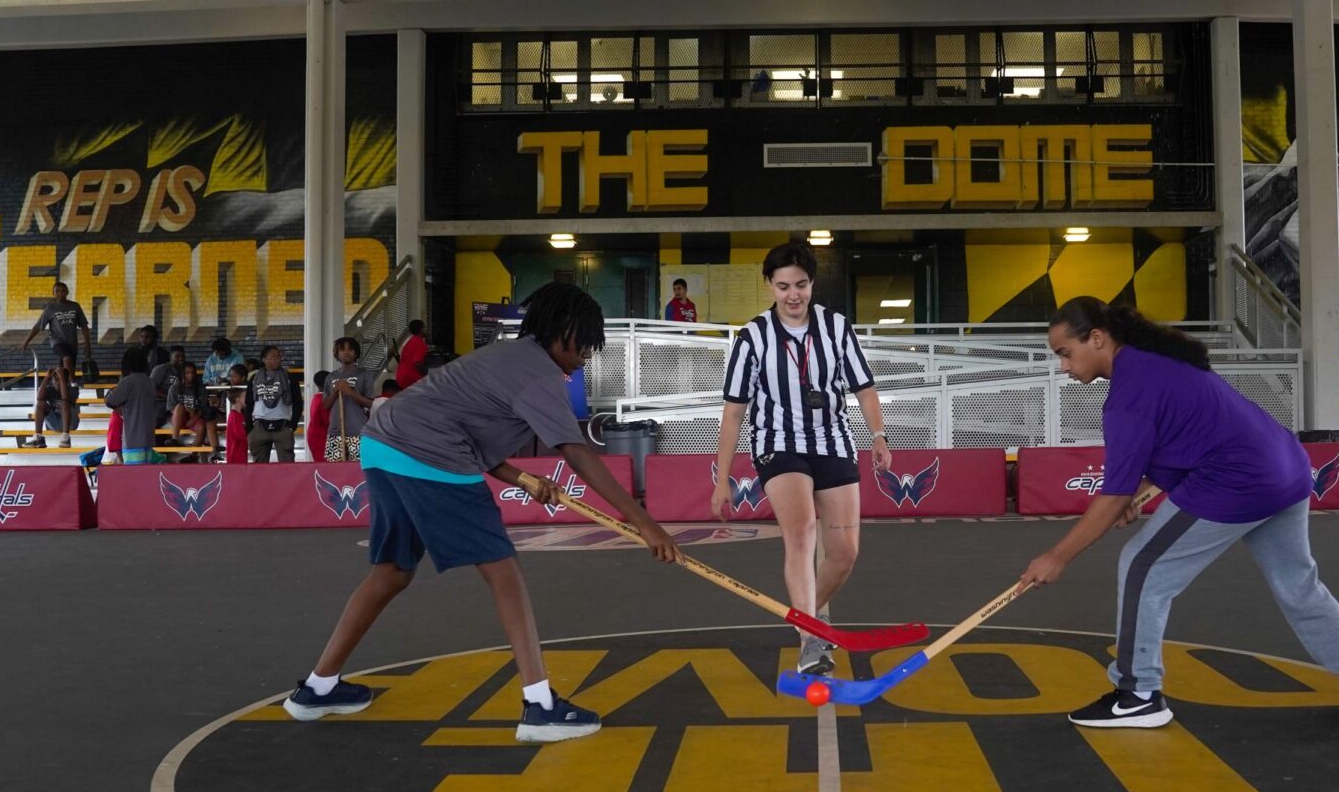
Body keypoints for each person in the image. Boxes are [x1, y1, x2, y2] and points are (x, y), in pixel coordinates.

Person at [283, 282, 680, 744]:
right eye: (584, 345)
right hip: (427, 453)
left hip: (383, 444)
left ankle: (318, 688)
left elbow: (470, 435)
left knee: (391, 571)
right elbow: (579, 454)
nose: (586, 357)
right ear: (564, 331)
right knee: (503, 570)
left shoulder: (505, 357)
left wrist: (523, 479)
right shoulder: (539, 373)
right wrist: (647, 524)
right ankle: (540, 706)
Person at [1017, 297, 1339, 729]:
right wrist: (1138, 490)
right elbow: (1188, 440)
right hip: (1287, 469)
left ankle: (1138, 693)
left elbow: (1111, 497)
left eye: (1065, 354)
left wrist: (1057, 557)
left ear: (1098, 339)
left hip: (1237, 480)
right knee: (1298, 584)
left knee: (1143, 565)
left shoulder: (1129, 393)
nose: (1064, 367)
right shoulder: (1157, 363)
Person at [711, 242, 890, 676]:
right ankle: (811, 637)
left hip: (832, 441)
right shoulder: (752, 338)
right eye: (784, 285)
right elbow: (734, 412)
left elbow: (864, 389)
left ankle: (810, 610)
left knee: (844, 553)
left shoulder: (836, 328)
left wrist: (879, 435)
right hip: (778, 443)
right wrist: (722, 479)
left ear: (813, 283)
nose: (794, 295)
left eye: (802, 285)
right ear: (770, 286)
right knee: (802, 531)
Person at [323, 337, 380, 462]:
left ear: (356, 353)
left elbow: (371, 404)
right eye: (342, 350)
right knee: (334, 470)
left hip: (358, 430)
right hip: (335, 431)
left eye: (350, 349)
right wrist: (335, 392)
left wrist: (350, 392)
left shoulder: (364, 375)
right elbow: (325, 405)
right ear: (337, 353)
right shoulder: (331, 377)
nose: (346, 352)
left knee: (358, 469)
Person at [103, 349, 162, 466]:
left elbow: (110, 400)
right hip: (148, 437)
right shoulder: (149, 381)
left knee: (134, 476)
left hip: (133, 438)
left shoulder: (128, 381)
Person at [19, 281, 92, 372]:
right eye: (57, 291)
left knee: (68, 368)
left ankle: (63, 384)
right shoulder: (50, 308)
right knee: (67, 358)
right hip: (57, 341)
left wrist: (87, 344)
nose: (60, 293)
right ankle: (73, 383)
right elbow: (38, 326)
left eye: (63, 291)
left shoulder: (75, 306)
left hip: (72, 342)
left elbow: (84, 326)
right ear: (53, 293)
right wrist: (26, 342)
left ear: (67, 292)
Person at [247, 346, 299, 463]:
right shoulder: (255, 378)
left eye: (278, 357)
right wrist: (250, 427)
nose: (277, 359)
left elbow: (297, 402)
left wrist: (292, 425)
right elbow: (249, 402)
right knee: (259, 467)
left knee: (287, 466)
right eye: (273, 357)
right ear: (264, 359)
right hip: (260, 425)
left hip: (283, 426)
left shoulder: (288, 377)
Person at [27, 362, 79, 449]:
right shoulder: (50, 389)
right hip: (54, 423)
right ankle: (38, 438)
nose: (57, 382)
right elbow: (39, 398)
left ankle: (65, 437)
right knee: (40, 404)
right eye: (55, 379)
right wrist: (47, 378)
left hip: (71, 423)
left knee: (64, 402)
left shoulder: (73, 390)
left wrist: (62, 378)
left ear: (66, 381)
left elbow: (65, 398)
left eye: (60, 379)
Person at [165, 362, 212, 450]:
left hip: (195, 417)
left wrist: (193, 418)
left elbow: (203, 408)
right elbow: (171, 409)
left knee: (201, 427)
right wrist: (186, 411)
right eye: (187, 373)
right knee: (179, 407)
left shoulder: (201, 388)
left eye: (192, 372)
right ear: (182, 374)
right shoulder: (174, 388)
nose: (190, 375)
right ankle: (174, 439)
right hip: (179, 419)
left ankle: (193, 454)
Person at [224, 364, 251, 464]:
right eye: (245, 396)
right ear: (238, 398)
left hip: (239, 454)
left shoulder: (238, 415)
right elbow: (240, 434)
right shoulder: (235, 416)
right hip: (235, 456)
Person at [396, 320, 429, 389]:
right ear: (421, 330)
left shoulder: (411, 341)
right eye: (425, 328)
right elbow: (417, 363)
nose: (426, 330)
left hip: (402, 376)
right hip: (411, 378)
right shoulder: (420, 343)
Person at [306, 371, 330, 463]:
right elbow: (326, 421)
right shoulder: (323, 400)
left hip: (316, 435)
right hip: (321, 437)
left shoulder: (316, 397)